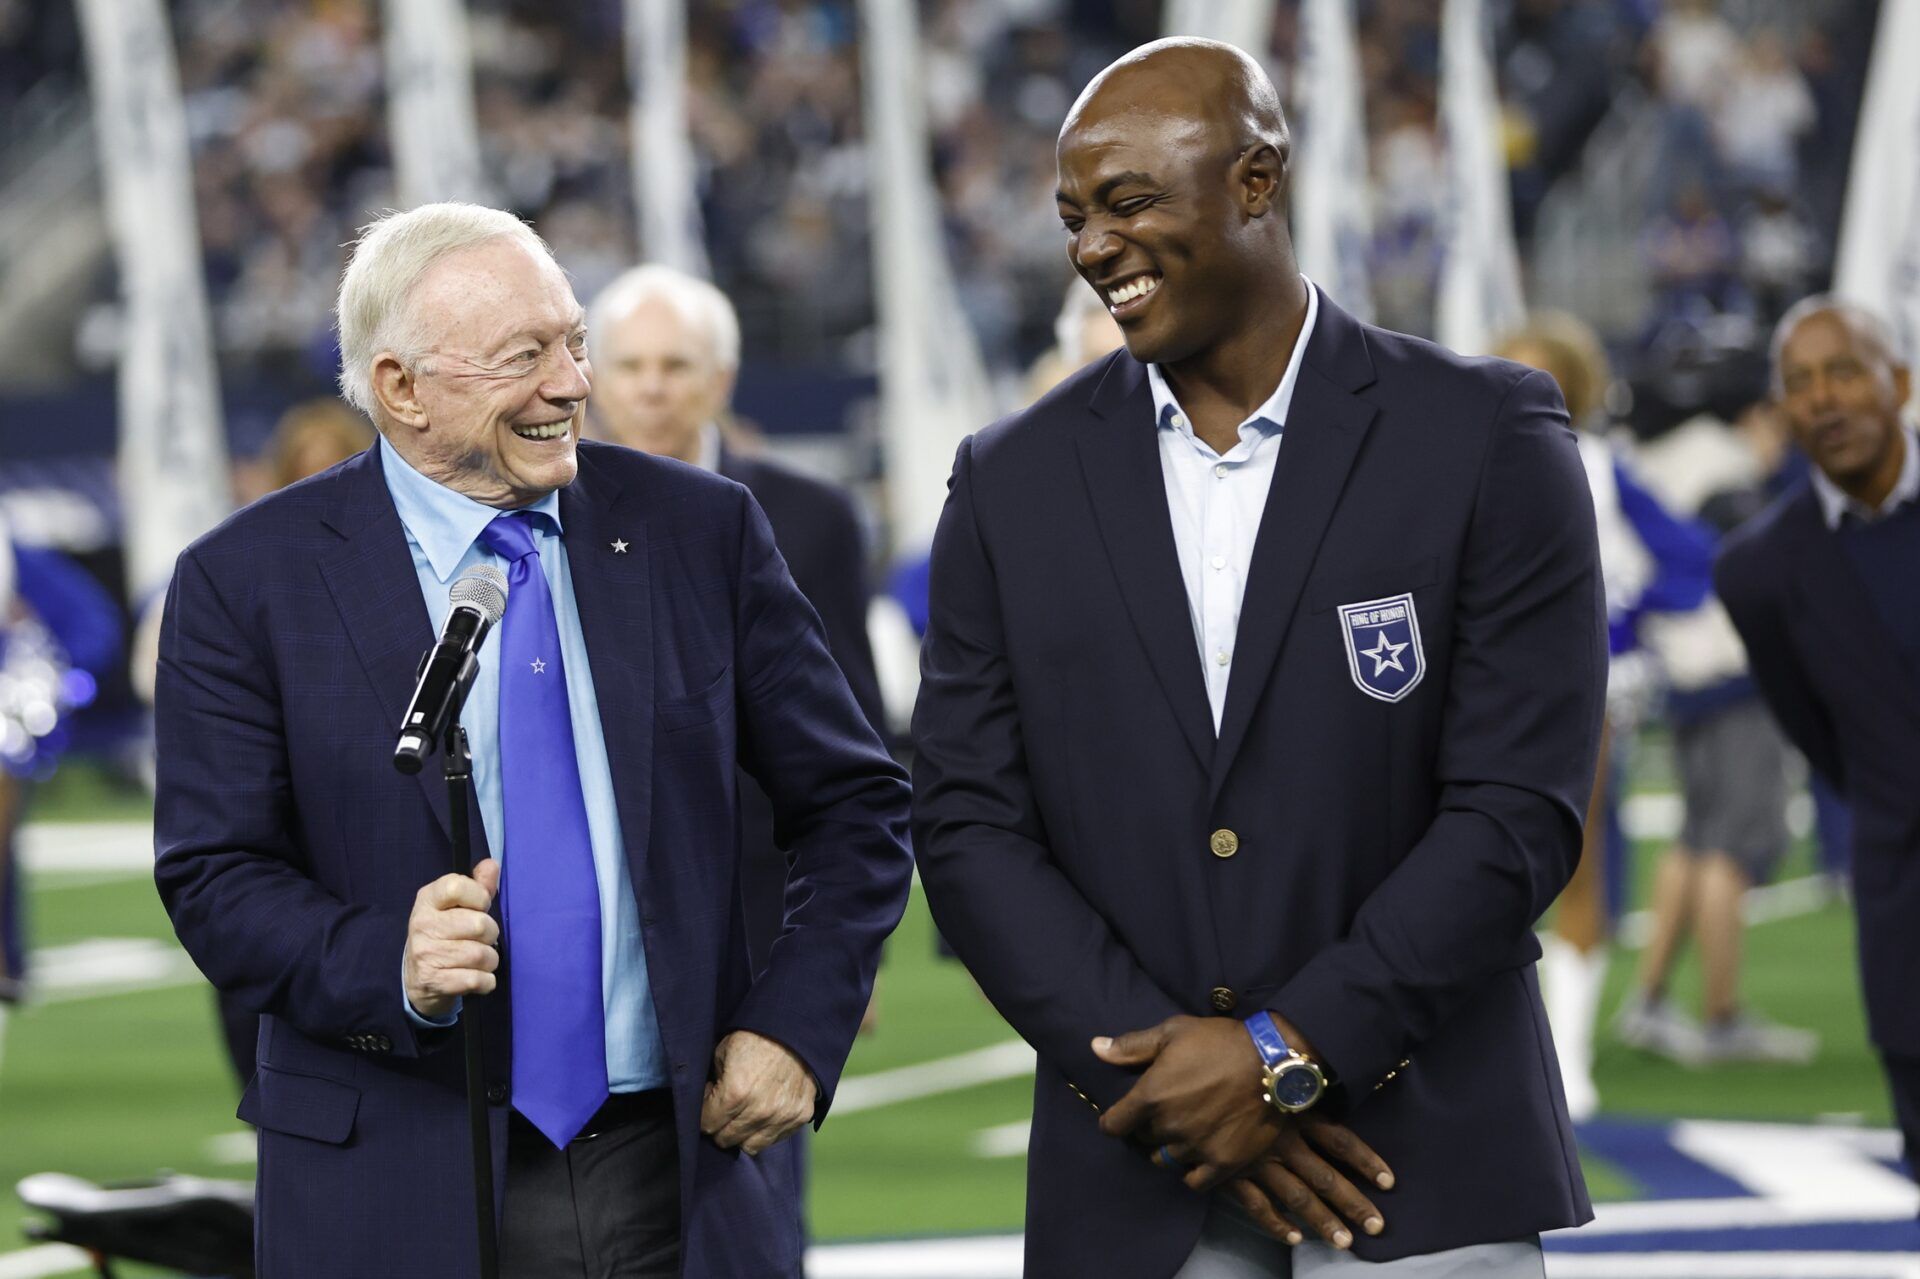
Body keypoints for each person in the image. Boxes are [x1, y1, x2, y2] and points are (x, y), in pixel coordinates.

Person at [912, 39, 1604, 1279]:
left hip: (1424, 1168)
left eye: (1128, 202)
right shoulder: (1007, 479)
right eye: (1074, 217)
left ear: (1256, 181)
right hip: (1140, 1167)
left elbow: (1517, 811)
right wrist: (1183, 1081)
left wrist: (1287, 1053)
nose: (1093, 248)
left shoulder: (1488, 431)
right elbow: (966, 822)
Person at [153, 202, 913, 1279]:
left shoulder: (703, 530)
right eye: (525, 356)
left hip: (679, 1164)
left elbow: (856, 805)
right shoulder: (244, 581)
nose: (573, 384)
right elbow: (213, 875)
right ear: (399, 387)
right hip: (390, 1180)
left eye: (573, 342)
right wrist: (389, 962)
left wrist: (798, 1021)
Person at [1715, 296, 1920, 1187]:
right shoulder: (1757, 569)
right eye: (1798, 384)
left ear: (1900, 382)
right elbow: (1822, 740)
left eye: (1844, 371)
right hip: (1906, 909)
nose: (1823, 400)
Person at [1495, 314, 1714, 1119]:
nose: (1518, 389)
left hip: (1580, 688)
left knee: (1576, 862)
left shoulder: (1603, 470)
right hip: (1467, 690)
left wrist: (1626, 620)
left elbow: (1692, 558)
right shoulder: (1448, 459)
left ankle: (1568, 1057)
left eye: (1540, 378)